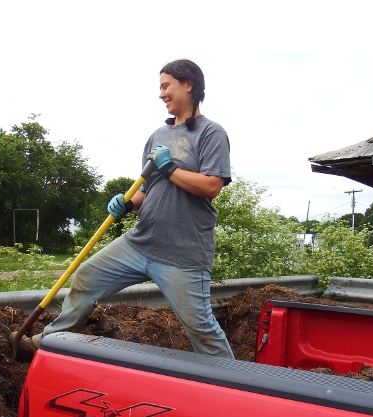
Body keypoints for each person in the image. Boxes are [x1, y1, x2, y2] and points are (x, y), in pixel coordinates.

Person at [20, 59, 234, 359]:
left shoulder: (211, 133)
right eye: (160, 88)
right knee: (86, 277)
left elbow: (212, 185)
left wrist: (170, 167)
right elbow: (148, 189)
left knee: (201, 329)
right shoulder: (157, 137)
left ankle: (239, 384)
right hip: (140, 242)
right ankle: (49, 343)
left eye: (165, 86)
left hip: (183, 255)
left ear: (188, 85)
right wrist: (128, 202)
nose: (161, 94)